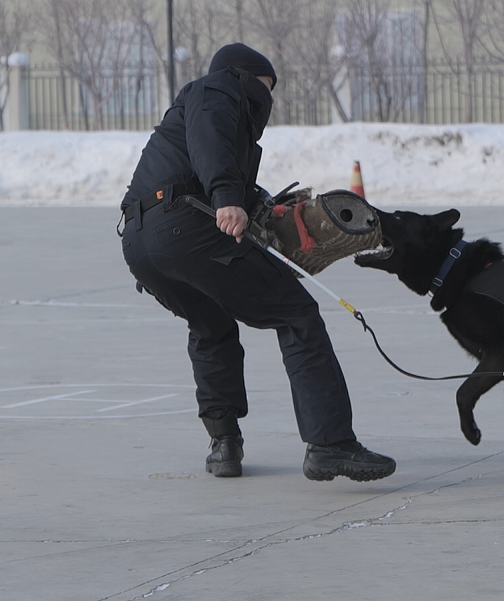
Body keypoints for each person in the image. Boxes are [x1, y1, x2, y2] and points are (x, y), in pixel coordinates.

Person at [118, 43, 395, 482]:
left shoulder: (202, 117)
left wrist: (258, 203)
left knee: (211, 324)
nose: (271, 98)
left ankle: (224, 443)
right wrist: (229, 199)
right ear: (248, 77)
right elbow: (211, 147)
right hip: (185, 225)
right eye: (269, 86)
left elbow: (210, 162)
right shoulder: (216, 89)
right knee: (297, 315)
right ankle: (330, 443)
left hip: (141, 241)